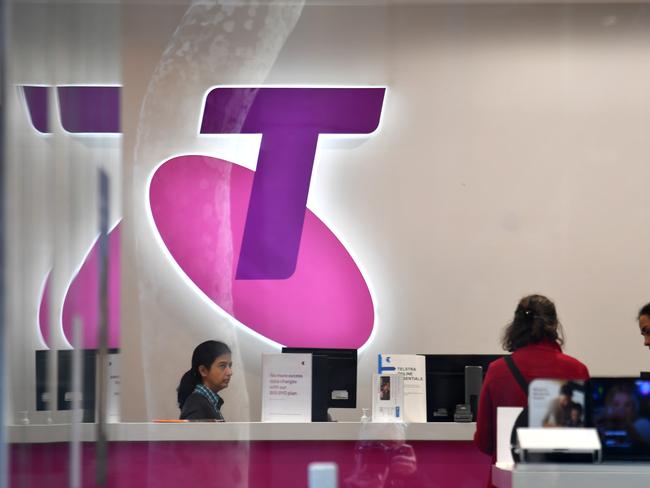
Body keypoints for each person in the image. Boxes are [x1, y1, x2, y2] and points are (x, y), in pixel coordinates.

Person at [473, 295, 590, 463]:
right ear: (555, 325)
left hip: (510, 479)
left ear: (516, 326)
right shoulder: (578, 369)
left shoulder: (497, 370)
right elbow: (585, 436)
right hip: (560, 478)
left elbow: (484, 442)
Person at [177, 340, 232, 421]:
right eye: (222, 366)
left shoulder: (207, 402)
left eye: (230, 365)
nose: (230, 372)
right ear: (203, 370)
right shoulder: (196, 405)